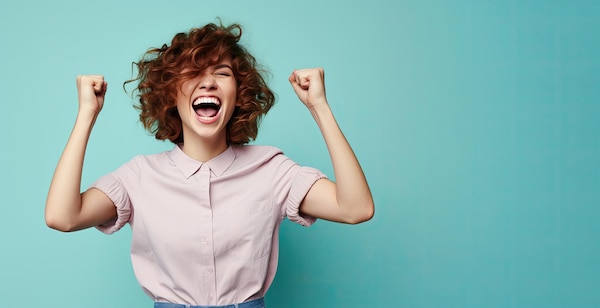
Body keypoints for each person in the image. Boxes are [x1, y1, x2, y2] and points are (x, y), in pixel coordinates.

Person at [45, 21, 374, 308]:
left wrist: (319, 107)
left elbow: (355, 208)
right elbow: (62, 216)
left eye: (222, 73)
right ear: (172, 93)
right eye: (192, 74)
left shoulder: (273, 170)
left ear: (239, 93)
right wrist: (86, 115)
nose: (208, 83)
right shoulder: (139, 176)